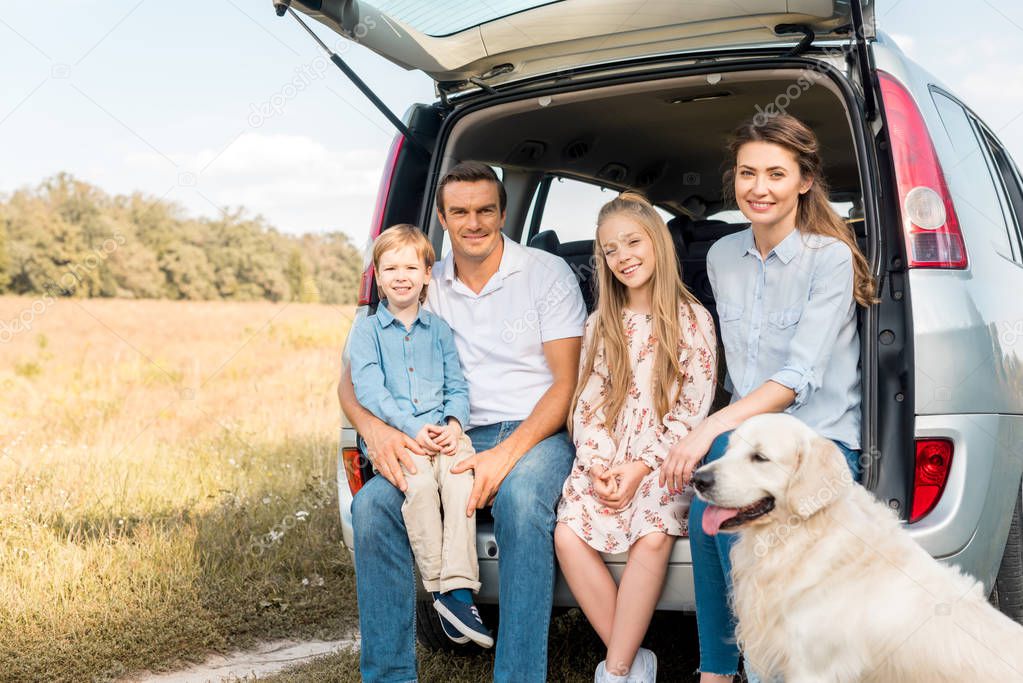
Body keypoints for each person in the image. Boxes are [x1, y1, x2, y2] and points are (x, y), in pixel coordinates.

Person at [338, 161, 587, 682]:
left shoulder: (545, 273)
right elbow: (350, 381)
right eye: (460, 212)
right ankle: (388, 675)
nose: (473, 223)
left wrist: (505, 455)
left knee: (520, 500)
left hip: (534, 429)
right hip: (447, 433)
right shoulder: (423, 279)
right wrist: (377, 432)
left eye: (485, 211)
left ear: (502, 212)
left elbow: (566, 385)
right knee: (372, 505)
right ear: (442, 217)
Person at [658, 114, 877, 682]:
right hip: (748, 430)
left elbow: (797, 378)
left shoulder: (828, 257)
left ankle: (754, 669)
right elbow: (731, 367)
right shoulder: (721, 256)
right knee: (711, 514)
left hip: (819, 436)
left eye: (776, 174)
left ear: (804, 180)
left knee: (738, 518)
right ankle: (715, 670)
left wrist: (708, 430)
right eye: (748, 173)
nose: (759, 187)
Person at [554, 193, 717, 683]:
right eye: (610, 249)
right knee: (568, 532)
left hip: (665, 460)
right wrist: (601, 465)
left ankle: (617, 670)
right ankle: (633, 660)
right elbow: (587, 405)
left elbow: (693, 410)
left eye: (632, 242)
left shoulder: (692, 321)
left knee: (651, 534)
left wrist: (642, 466)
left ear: (658, 244)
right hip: (607, 458)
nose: (623, 256)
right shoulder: (601, 324)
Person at [347, 223, 493, 648]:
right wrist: (412, 429)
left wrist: (453, 424)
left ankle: (460, 588)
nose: (401, 275)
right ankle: (442, 589)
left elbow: (457, 386)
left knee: (460, 478)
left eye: (411, 266)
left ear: (428, 274)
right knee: (423, 487)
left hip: (443, 434)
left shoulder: (439, 330)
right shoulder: (367, 331)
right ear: (377, 276)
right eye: (390, 267)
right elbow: (369, 389)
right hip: (400, 438)